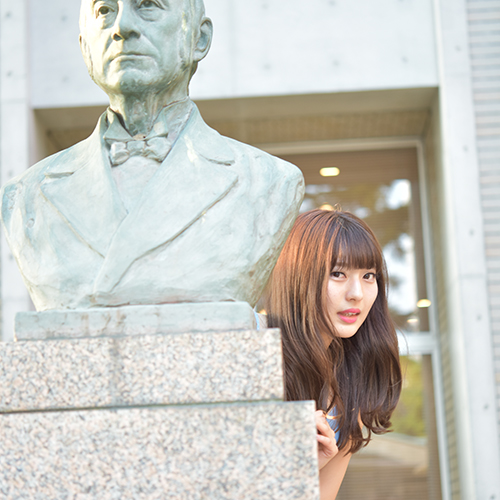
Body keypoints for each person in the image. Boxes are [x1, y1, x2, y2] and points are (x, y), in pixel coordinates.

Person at [0, 0, 304, 311]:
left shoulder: (269, 183)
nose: (122, 27)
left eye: (148, 5)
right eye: (104, 10)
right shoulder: (24, 196)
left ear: (199, 39)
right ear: (85, 48)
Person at [264, 208, 402, 499]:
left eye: (369, 275)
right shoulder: (251, 346)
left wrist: (305, 470)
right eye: (338, 273)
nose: (357, 293)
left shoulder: (349, 397)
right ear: (298, 276)